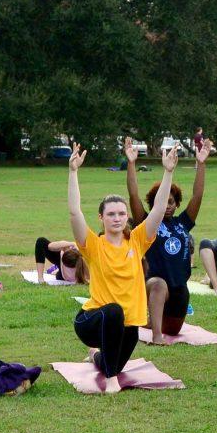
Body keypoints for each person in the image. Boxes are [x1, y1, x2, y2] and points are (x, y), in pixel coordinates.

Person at [68, 143, 177, 394]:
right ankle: (110, 382)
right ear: (101, 218)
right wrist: (73, 172)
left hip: (128, 324)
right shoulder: (94, 246)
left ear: (127, 217)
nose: (117, 218)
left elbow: (158, 211)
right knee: (115, 312)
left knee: (113, 363)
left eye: (121, 214)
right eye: (111, 214)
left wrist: (168, 172)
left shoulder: (136, 242)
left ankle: (96, 356)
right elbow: (74, 212)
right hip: (91, 322)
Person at [127, 136, 210, 345]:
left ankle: (145, 321)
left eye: (171, 202)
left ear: (177, 203)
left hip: (180, 287)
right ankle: (156, 336)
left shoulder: (183, 222)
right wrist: (131, 163)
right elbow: (133, 195)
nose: (167, 206)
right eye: (162, 202)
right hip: (155, 284)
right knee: (158, 285)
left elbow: (198, 196)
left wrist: (201, 164)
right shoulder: (147, 223)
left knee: (173, 330)